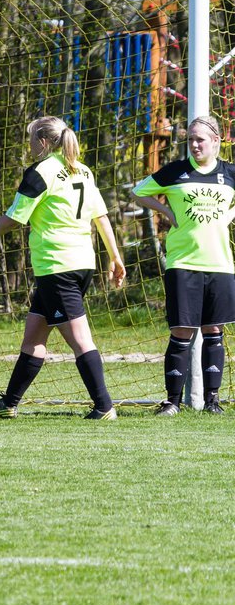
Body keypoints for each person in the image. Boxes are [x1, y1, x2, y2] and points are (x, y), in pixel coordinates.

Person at [0, 116, 126, 419]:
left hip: (57, 265)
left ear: (42, 141)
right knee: (34, 335)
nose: (27, 145)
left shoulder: (41, 172)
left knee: (80, 339)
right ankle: (9, 402)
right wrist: (114, 257)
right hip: (81, 263)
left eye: (30, 139)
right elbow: (101, 217)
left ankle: (104, 406)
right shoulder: (83, 169)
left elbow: (15, 217)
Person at [131, 114, 235, 415]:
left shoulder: (228, 173)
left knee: (214, 330)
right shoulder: (177, 172)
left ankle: (212, 400)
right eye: (190, 139)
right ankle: (172, 401)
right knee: (182, 331)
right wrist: (165, 211)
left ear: (215, 141)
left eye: (200, 139)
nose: (194, 145)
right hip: (183, 263)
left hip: (219, 264)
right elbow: (137, 192)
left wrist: (229, 215)